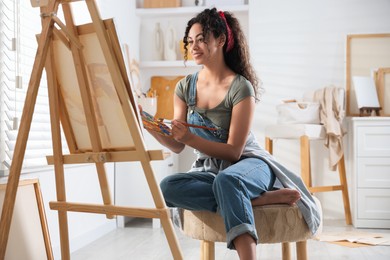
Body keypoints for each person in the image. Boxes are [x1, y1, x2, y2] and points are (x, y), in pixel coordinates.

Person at [143, 8, 321, 260]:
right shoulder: (184, 87)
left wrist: (189, 137)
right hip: (212, 170)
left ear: (221, 40)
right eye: (190, 41)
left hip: (249, 165)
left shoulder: (240, 87)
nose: (194, 46)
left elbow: (234, 151)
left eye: (201, 39)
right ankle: (258, 200)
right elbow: (177, 146)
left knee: (228, 181)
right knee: (168, 187)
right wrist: (147, 123)